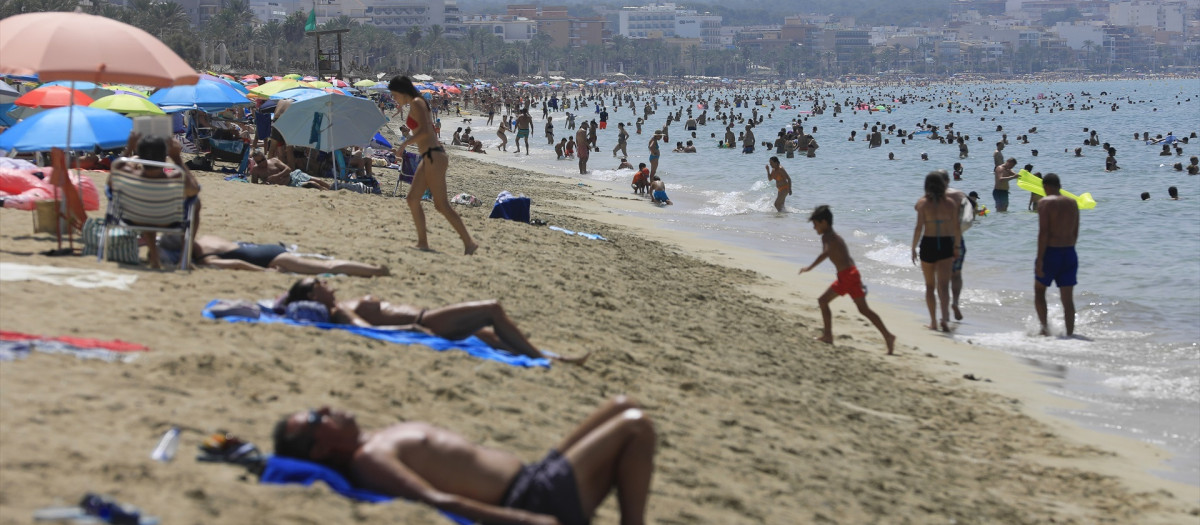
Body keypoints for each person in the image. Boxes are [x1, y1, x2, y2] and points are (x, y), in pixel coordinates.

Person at [273, 395, 654, 525]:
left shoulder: (372, 441)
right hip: (532, 499)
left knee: (624, 406)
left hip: (536, 475)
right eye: (314, 417)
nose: (324, 407)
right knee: (636, 427)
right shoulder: (370, 458)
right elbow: (436, 501)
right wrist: (527, 520)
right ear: (320, 448)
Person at [282, 278, 588, 364]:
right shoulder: (340, 312)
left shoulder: (338, 305)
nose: (327, 283)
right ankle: (546, 358)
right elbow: (365, 330)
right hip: (426, 321)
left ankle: (542, 354)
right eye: (320, 283)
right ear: (312, 294)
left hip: (427, 317)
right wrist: (410, 329)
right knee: (492, 309)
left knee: (488, 335)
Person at [389, 76, 478, 255]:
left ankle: (469, 242)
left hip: (434, 156)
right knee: (413, 199)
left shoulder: (417, 102)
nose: (393, 98)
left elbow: (425, 130)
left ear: (401, 91)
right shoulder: (414, 103)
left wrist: (404, 144)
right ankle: (423, 242)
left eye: (394, 94)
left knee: (441, 205)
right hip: (428, 157)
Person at [798, 205, 896, 354]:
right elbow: (847, 258)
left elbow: (825, 253)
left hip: (847, 277)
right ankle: (888, 336)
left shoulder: (828, 237)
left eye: (815, 224)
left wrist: (809, 267)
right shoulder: (834, 236)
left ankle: (828, 336)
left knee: (823, 301)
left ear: (824, 222)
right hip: (851, 274)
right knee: (864, 310)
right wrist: (857, 280)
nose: (814, 228)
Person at [110, 132, 201, 269]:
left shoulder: (129, 174)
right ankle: (184, 258)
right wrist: (177, 159)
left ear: (139, 155)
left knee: (146, 207)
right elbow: (194, 190)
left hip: (134, 219)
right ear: (165, 158)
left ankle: (154, 257)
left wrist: (128, 150)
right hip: (168, 221)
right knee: (195, 202)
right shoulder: (176, 177)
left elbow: (109, 182)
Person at [162, 234, 388, 276]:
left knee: (327, 268)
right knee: (323, 264)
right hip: (266, 248)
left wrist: (266, 272)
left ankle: (375, 270)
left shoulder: (205, 259)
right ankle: (372, 268)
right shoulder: (205, 239)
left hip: (270, 259)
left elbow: (239, 264)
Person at [912, 172, 960, 332]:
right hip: (946, 243)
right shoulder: (950, 204)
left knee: (930, 286)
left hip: (928, 243)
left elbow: (919, 227)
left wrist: (913, 247)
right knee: (944, 286)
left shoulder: (923, 203)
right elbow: (956, 228)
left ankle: (933, 321)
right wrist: (956, 247)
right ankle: (945, 318)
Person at [1034, 173, 1080, 337]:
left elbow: (1044, 232)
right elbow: (1075, 232)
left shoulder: (1044, 202)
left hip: (1050, 253)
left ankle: (1045, 329)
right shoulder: (1073, 203)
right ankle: (1070, 335)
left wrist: (1040, 259)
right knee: (1067, 298)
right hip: (1069, 252)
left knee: (1039, 291)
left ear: (1046, 186)